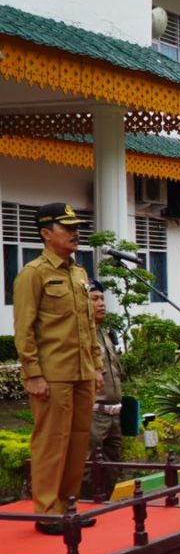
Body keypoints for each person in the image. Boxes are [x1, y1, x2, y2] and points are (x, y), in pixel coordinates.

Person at [14, 203, 104, 534]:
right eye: (67, 228)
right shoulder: (33, 274)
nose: (75, 233)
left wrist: (96, 365)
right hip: (52, 374)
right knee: (52, 441)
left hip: (81, 372)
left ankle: (68, 506)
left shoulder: (79, 273)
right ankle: (47, 512)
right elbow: (24, 329)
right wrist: (33, 374)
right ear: (46, 234)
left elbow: (88, 327)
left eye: (76, 227)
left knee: (79, 440)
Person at [86, 280, 123, 501]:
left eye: (102, 299)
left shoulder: (104, 334)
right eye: (95, 299)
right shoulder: (80, 336)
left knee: (113, 466)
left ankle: (102, 507)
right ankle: (82, 511)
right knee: (86, 468)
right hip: (92, 413)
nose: (101, 304)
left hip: (114, 415)